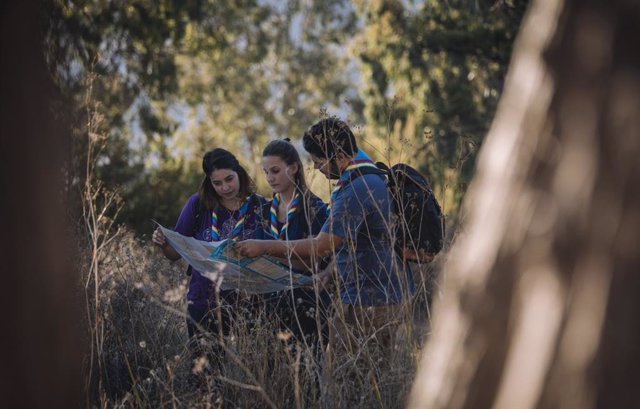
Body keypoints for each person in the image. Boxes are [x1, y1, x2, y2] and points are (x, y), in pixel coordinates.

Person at [236, 118, 415, 403]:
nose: (317, 168)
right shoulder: (370, 175)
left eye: (319, 160)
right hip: (372, 293)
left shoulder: (355, 188)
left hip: (367, 301)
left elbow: (322, 245)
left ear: (339, 156)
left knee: (353, 383)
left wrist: (265, 246)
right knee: (361, 380)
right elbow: (355, 243)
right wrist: (329, 275)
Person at [151, 148, 266, 381]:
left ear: (239, 173)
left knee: (252, 372)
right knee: (205, 373)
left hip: (248, 302)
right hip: (203, 299)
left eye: (229, 179)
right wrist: (163, 243)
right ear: (209, 182)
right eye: (217, 183)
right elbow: (175, 253)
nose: (225, 187)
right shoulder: (198, 204)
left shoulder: (260, 207)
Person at [259, 138, 330, 360]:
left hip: (306, 307)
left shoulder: (315, 209)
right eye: (266, 172)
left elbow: (319, 260)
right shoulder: (264, 211)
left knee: (307, 380)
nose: (270, 178)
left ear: (293, 168)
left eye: (276, 171)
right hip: (270, 306)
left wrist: (270, 253)